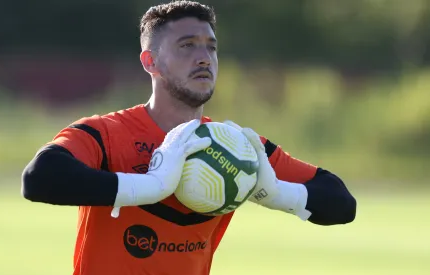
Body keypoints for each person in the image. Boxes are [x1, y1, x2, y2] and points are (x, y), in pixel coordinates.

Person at [21, 1, 357, 274]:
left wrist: (279, 193)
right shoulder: (106, 133)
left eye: (211, 48)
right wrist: (151, 186)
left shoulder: (236, 147)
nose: (203, 58)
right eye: (186, 46)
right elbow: (40, 178)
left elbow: (341, 203)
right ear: (150, 61)